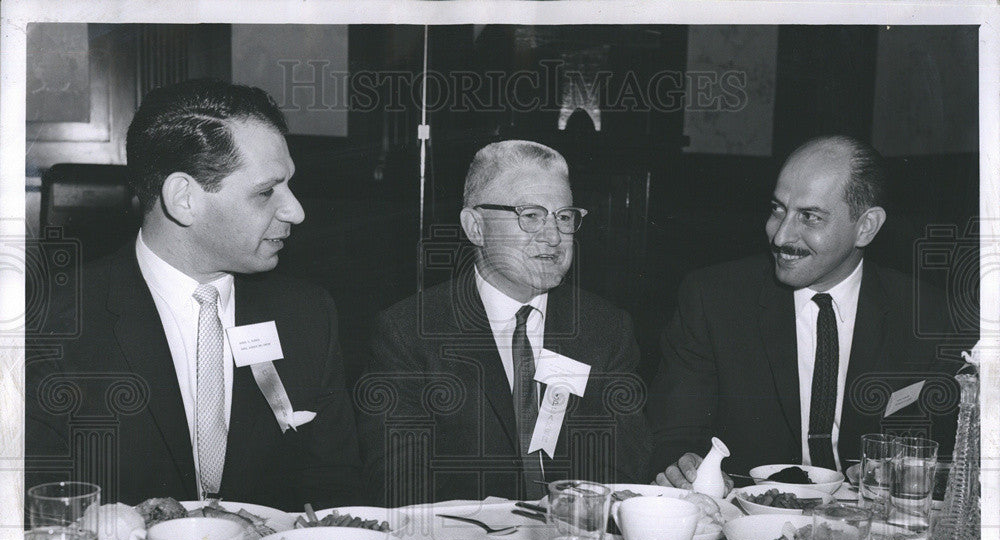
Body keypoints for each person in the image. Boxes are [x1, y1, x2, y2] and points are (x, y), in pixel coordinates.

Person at [26, 79, 361, 510]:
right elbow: (34, 512)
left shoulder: (308, 313)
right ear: (184, 199)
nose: (295, 210)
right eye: (265, 192)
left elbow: (336, 489)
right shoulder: (47, 323)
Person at [648, 135, 964, 488]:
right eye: (778, 209)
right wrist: (686, 467)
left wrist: (904, 472)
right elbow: (673, 436)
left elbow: (953, 454)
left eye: (809, 217)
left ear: (866, 226)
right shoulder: (713, 298)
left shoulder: (931, 315)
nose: (781, 236)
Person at [356, 140, 650, 505]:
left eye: (563, 216)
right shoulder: (408, 333)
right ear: (475, 227)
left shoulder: (604, 329)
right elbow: (399, 484)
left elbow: (622, 469)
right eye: (530, 216)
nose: (554, 236)